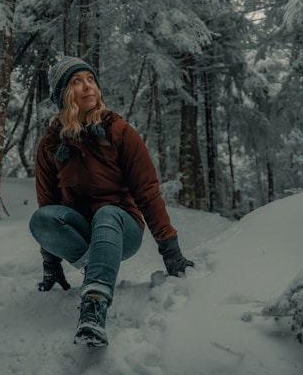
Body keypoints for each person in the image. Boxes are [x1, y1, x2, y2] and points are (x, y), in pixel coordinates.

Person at [29, 55, 194, 347]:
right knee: (41, 219)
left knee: (107, 213)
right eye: (77, 82)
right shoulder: (51, 144)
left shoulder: (119, 131)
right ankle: (98, 266)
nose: (88, 87)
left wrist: (171, 251)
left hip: (123, 225)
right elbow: (48, 203)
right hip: (83, 230)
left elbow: (147, 191)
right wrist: (50, 262)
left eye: (91, 79)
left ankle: (93, 307)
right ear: (64, 94)